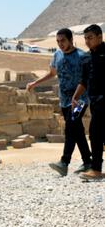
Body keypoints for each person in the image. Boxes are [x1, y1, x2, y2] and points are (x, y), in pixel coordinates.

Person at [27, 28, 92, 176]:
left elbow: (87, 79)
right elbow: (52, 73)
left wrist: (79, 97)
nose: (60, 44)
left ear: (70, 40)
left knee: (70, 128)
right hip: (64, 101)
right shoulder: (57, 55)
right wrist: (34, 83)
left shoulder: (82, 57)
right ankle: (88, 161)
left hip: (80, 100)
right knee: (77, 130)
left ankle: (64, 162)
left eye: (63, 40)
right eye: (58, 41)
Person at [72, 24, 105, 181]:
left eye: (90, 38)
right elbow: (84, 80)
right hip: (96, 103)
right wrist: (76, 96)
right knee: (95, 134)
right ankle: (96, 170)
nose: (87, 41)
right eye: (85, 38)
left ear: (100, 37)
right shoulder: (85, 58)